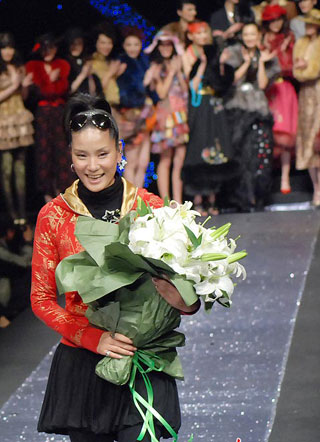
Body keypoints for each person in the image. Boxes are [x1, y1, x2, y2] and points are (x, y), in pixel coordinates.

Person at [30, 93, 200, 442]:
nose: (93, 165)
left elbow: (188, 292)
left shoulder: (150, 209)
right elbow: (42, 299)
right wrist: (95, 338)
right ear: (70, 158)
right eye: (82, 155)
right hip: (85, 364)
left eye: (103, 154)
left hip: (144, 358)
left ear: (120, 152)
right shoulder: (53, 216)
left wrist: (185, 299)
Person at [182, 21, 236, 215]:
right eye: (200, 33)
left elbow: (223, 82)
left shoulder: (214, 51)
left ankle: (213, 199)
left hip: (215, 105)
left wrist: (220, 63)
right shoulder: (189, 54)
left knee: (217, 148)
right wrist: (203, 63)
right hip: (200, 105)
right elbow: (192, 84)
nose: (204, 36)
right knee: (199, 148)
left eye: (206, 32)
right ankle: (197, 201)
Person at [225, 22, 280, 211]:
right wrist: (247, 62)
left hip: (258, 110)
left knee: (261, 156)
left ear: (258, 36)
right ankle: (243, 198)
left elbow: (263, 85)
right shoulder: (233, 53)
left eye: (253, 34)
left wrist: (261, 62)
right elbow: (232, 80)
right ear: (242, 36)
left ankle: (259, 198)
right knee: (242, 155)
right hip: (238, 109)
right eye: (246, 34)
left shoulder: (265, 54)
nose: (249, 38)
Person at [25, 33, 72, 202]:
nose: (48, 51)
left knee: (61, 154)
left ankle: (63, 199)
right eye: (45, 48)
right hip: (43, 115)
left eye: (51, 47)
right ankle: (48, 201)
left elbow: (61, 91)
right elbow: (41, 93)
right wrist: (49, 81)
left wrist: (54, 81)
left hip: (58, 114)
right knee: (44, 155)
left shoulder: (62, 65)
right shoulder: (32, 66)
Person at [144, 31, 188, 203]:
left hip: (180, 115)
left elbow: (185, 90)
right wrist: (171, 73)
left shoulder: (178, 64)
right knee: (166, 159)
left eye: (169, 45)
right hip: (165, 116)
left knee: (180, 160)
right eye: (162, 45)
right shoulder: (156, 67)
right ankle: (165, 202)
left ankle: (178, 202)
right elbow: (161, 93)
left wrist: (178, 72)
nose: (166, 48)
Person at [261, 4, 298, 193]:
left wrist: (283, 51)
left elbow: (292, 66)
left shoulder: (288, 38)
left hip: (285, 89)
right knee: (268, 135)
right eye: (272, 20)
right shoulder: (263, 39)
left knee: (286, 136)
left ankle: (285, 177)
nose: (276, 23)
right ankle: (267, 178)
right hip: (268, 89)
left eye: (279, 19)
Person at [0, 32, 34, 224]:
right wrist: (13, 87)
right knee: (6, 170)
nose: (8, 51)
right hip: (3, 122)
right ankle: (12, 216)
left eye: (10, 47)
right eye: (4, 47)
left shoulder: (19, 68)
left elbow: (24, 97)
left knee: (20, 169)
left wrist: (24, 86)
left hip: (19, 119)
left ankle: (22, 215)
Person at [116, 27, 153, 188]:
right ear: (124, 46)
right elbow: (124, 95)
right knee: (131, 162)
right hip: (129, 115)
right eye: (129, 44)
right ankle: (132, 203)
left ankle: (140, 200)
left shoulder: (144, 62)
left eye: (136, 44)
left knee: (143, 162)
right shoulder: (122, 63)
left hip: (145, 114)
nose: (132, 48)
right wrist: (145, 82)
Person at [293, 9, 320, 206]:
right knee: (308, 139)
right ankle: (316, 189)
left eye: (312, 23)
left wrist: (308, 66)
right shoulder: (301, 43)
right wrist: (304, 68)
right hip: (306, 94)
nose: (308, 27)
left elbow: (313, 69)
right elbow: (297, 70)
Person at [0, 216, 33, 327]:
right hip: (4, 301)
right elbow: (25, 263)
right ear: (8, 232)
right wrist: (28, 242)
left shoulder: (5, 245)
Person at [91, 22, 126, 108]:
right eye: (103, 43)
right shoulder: (91, 62)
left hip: (115, 106)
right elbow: (95, 91)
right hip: (101, 108)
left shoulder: (109, 61)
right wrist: (111, 73)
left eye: (109, 43)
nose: (107, 46)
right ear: (96, 43)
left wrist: (116, 75)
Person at [63, 27, 103, 96]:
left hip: (88, 100)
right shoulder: (65, 63)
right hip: (74, 102)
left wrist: (89, 75)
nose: (76, 47)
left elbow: (94, 91)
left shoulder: (86, 60)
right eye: (73, 43)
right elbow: (68, 91)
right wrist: (83, 74)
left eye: (79, 43)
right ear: (68, 45)